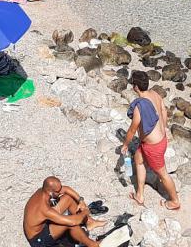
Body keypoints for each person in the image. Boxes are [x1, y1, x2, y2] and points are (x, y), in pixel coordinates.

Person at [118, 70, 180, 210]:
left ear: (135, 87)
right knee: (139, 160)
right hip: (158, 140)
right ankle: (140, 195)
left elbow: (133, 129)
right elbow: (163, 110)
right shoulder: (155, 94)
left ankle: (175, 201)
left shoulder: (139, 107)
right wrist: (163, 127)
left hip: (154, 147)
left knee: (163, 174)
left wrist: (125, 144)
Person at [21, 176, 103, 247]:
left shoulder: (43, 191)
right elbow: (73, 221)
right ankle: (92, 244)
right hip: (38, 238)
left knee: (68, 198)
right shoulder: (44, 208)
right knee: (69, 224)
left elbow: (66, 189)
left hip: (42, 221)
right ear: (51, 192)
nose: (61, 191)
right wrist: (85, 211)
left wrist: (81, 201)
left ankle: (89, 222)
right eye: (58, 191)